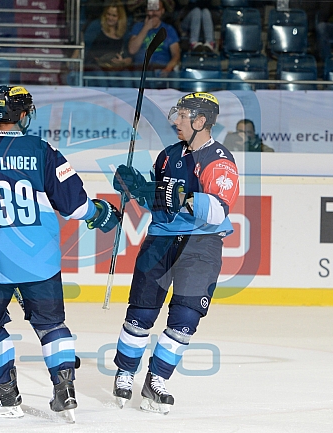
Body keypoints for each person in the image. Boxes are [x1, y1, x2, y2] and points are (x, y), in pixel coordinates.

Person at [0, 85, 120, 421]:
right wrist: (100, 214)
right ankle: (65, 389)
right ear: (23, 114)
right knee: (52, 325)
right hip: (40, 260)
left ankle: (5, 394)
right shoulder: (42, 150)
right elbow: (76, 206)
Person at [110, 92, 239, 415]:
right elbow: (160, 200)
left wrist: (183, 197)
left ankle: (157, 378)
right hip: (160, 240)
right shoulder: (168, 156)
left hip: (201, 246)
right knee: (140, 312)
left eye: (182, 115)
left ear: (200, 121)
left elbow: (217, 211)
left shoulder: (220, 161)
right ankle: (125, 373)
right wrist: (135, 188)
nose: (175, 121)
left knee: (185, 318)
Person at [127, 0, 181, 76]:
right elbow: (132, 50)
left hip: (162, 70)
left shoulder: (169, 29)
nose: (154, 13)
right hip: (141, 71)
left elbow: (176, 55)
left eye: (157, 10)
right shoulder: (138, 27)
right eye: (151, 10)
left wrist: (167, 69)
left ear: (162, 11)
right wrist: (146, 27)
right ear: (146, 10)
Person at [86, 1, 133, 71]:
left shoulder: (124, 32)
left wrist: (123, 61)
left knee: (126, 76)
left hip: (116, 68)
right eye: (108, 14)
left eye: (114, 16)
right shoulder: (96, 26)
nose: (110, 18)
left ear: (120, 17)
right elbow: (85, 46)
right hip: (96, 66)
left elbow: (129, 57)